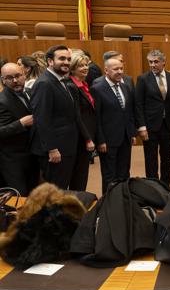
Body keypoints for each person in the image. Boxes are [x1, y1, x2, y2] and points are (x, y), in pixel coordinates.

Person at [30, 45, 80, 190]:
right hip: (55, 150)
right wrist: (52, 149)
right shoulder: (45, 83)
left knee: (62, 188)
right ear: (50, 61)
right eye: (62, 58)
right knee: (55, 191)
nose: (66, 62)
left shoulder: (60, 81)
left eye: (69, 59)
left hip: (65, 146)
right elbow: (42, 119)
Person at [92, 56, 136, 194]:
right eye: (115, 69)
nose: (119, 71)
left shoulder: (125, 86)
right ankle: (108, 204)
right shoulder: (97, 89)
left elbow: (129, 112)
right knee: (109, 175)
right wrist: (100, 140)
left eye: (121, 68)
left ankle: (122, 201)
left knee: (124, 173)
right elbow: (96, 118)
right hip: (108, 141)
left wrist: (132, 133)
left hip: (125, 138)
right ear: (106, 70)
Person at [135, 49, 170, 186]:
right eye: (150, 62)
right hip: (150, 127)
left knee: (167, 159)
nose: (153, 65)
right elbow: (138, 104)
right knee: (151, 160)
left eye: (156, 62)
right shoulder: (143, 79)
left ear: (163, 62)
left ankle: (165, 186)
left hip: (168, 126)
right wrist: (141, 127)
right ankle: (153, 188)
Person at [0, 63, 38, 195]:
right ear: (3, 80)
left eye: (18, 76)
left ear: (24, 74)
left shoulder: (29, 92)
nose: (15, 81)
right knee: (20, 197)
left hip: (32, 155)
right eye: (9, 78)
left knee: (34, 195)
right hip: (13, 160)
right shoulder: (2, 100)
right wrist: (20, 124)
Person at [67, 53, 97, 191]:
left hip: (86, 134)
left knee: (82, 173)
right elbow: (76, 115)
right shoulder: (72, 86)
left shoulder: (84, 84)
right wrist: (88, 138)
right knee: (79, 175)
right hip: (80, 137)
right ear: (72, 69)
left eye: (86, 64)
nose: (85, 68)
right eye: (80, 66)